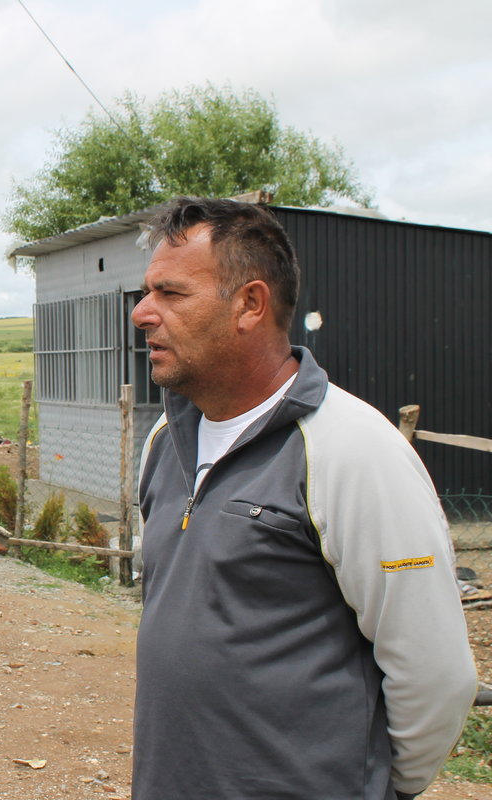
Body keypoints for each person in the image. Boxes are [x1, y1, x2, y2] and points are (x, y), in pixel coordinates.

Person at [129, 197, 475, 800]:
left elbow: (436, 673)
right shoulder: (166, 438)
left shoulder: (352, 448)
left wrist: (376, 785)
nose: (142, 313)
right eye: (146, 292)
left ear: (250, 305)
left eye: (172, 293)